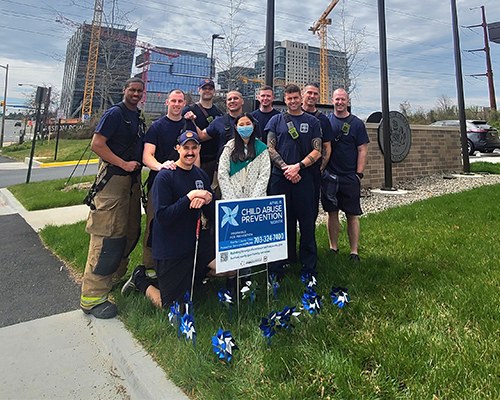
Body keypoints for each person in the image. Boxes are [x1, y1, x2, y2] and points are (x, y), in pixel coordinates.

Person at [80, 77, 146, 319]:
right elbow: (97, 144)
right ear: (124, 90)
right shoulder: (114, 114)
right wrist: (123, 164)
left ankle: (114, 279)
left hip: (131, 181)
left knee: (129, 232)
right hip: (113, 180)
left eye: (140, 90)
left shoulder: (137, 117)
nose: (136, 94)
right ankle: (92, 297)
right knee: (108, 238)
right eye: (132, 90)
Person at [123, 89, 195, 292]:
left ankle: (180, 267)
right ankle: (149, 269)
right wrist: (161, 166)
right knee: (156, 226)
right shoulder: (157, 127)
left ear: (184, 103)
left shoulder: (189, 125)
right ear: (167, 102)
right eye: (174, 100)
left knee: (184, 225)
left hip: (186, 184)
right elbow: (147, 156)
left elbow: (194, 154)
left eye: (180, 101)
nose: (177, 104)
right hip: (161, 183)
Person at [265, 84, 322, 279]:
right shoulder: (275, 120)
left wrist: (298, 166)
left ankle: (309, 267)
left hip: (304, 177)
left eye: (296, 98)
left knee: (306, 222)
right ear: (285, 99)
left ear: (301, 98)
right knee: (279, 222)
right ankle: (278, 266)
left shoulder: (312, 122)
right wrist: (285, 168)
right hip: (280, 178)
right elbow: (270, 148)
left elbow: (317, 150)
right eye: (289, 99)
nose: (293, 101)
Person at [323, 88, 369, 263]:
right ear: (332, 100)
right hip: (330, 176)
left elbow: (362, 150)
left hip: (350, 176)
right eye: (337, 99)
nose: (340, 102)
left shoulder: (357, 124)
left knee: (352, 214)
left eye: (343, 99)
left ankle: (354, 251)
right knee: (331, 213)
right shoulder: (327, 122)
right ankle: (333, 247)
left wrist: (359, 174)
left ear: (347, 101)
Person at [218, 112, 271, 200]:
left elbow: (264, 175)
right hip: (232, 198)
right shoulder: (229, 147)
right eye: (241, 125)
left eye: (248, 124)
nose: (245, 127)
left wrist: (254, 199)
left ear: (253, 126)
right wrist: (231, 199)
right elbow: (222, 173)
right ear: (236, 127)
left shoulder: (261, 148)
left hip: (255, 198)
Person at [301, 83, 335, 217]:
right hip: (292, 171)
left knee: (310, 212)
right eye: (309, 92)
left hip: (312, 172)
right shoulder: (291, 115)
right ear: (303, 94)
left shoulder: (323, 120)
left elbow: (327, 147)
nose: (312, 96)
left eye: (315, 94)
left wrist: (320, 168)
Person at [182, 79, 223, 182]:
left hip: (214, 161)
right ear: (199, 90)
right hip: (193, 159)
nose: (207, 91)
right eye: (204, 88)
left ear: (214, 91)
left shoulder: (219, 112)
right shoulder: (189, 110)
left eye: (210, 88)